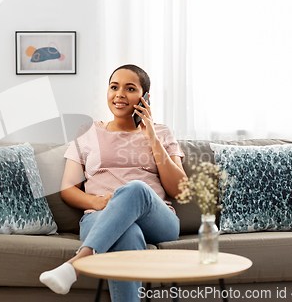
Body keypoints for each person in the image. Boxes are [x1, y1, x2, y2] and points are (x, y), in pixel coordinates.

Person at [39, 64, 187, 302]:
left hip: (158, 220)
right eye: (114, 87)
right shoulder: (87, 133)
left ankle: (77, 263)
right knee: (128, 233)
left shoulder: (161, 133)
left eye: (130, 88)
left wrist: (152, 138)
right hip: (100, 217)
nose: (119, 94)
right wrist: (98, 202)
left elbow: (180, 190)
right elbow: (68, 189)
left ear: (144, 97)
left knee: (137, 188)